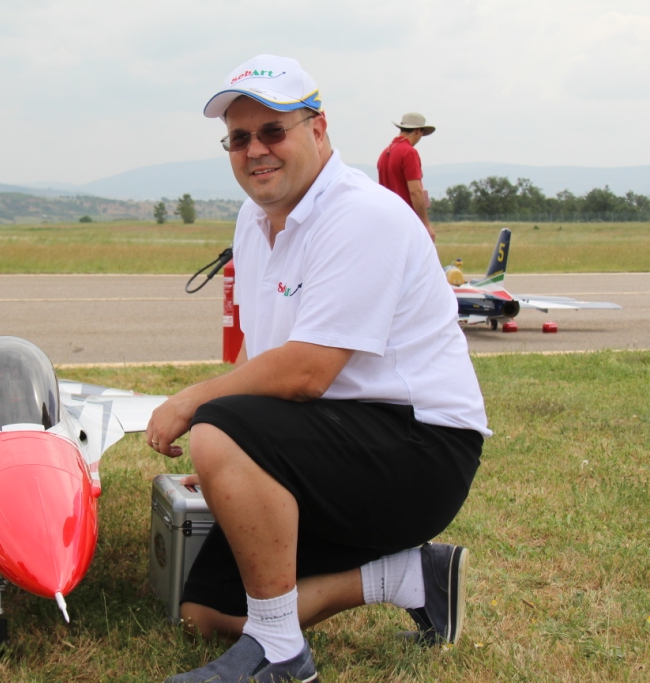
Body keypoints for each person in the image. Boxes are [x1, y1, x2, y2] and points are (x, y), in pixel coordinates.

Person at [148, 55, 489, 683]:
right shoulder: (254, 221)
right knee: (205, 613)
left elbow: (307, 373)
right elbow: (263, 357)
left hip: (420, 450)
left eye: (273, 131)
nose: (255, 150)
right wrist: (242, 467)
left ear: (319, 130)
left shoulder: (363, 214)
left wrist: (206, 415)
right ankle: (412, 576)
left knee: (216, 424)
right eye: (239, 138)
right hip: (337, 440)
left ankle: (281, 655)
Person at [377, 112, 436, 241]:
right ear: (417, 131)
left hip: (389, 219)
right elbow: (415, 191)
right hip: (407, 220)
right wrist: (426, 225)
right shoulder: (409, 152)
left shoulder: (384, 153)